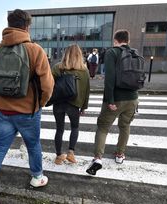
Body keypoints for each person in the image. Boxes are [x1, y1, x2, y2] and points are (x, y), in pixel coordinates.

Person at [0, 9, 54, 204]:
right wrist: (39, 104)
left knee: (0, 146)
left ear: (9, 24)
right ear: (27, 26)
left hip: (4, 111)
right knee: (33, 145)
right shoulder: (35, 50)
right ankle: (37, 177)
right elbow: (47, 85)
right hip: (28, 112)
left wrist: (2, 100)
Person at [86, 29, 139, 176]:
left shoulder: (112, 52)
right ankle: (120, 155)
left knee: (103, 127)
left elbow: (109, 78)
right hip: (133, 98)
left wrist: (110, 100)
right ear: (128, 40)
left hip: (116, 98)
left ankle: (97, 158)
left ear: (115, 40)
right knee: (125, 126)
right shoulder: (135, 53)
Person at [51, 44, 90, 165]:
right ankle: (71, 153)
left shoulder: (58, 68)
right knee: (75, 127)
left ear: (65, 54)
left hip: (58, 103)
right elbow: (86, 90)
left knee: (59, 129)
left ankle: (58, 156)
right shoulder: (84, 70)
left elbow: (49, 84)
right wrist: (83, 107)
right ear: (79, 55)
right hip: (74, 103)